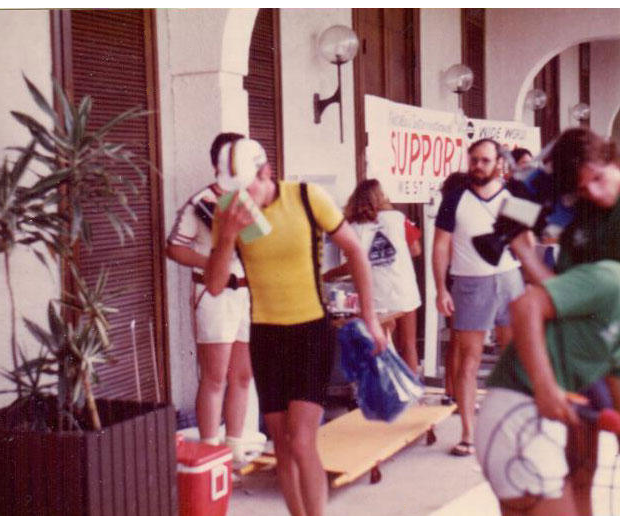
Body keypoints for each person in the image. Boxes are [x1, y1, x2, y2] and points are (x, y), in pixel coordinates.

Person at [204, 138, 387, 516]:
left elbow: (355, 250)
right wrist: (227, 235)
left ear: (266, 172)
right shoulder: (231, 212)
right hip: (266, 336)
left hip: (309, 332)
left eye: (246, 188)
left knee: (303, 442)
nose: (241, 198)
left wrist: (370, 318)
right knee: (284, 446)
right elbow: (215, 285)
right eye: (233, 191)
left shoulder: (306, 198)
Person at [476, 127, 620, 516]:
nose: (595, 192)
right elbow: (555, 295)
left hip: (604, 339)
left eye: (598, 178)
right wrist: (523, 251)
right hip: (578, 348)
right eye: (583, 187)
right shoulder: (581, 208)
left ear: (612, 159)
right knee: (579, 468)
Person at [166, 132, 260, 463]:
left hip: (246, 294)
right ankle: (209, 450)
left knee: (243, 375)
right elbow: (174, 247)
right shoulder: (202, 201)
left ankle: (234, 446)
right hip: (214, 294)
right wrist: (212, 263)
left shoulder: (247, 199)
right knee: (215, 376)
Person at [432, 139, 525, 457]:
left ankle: (510, 429)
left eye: (485, 160)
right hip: (470, 284)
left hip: (510, 279)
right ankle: (468, 434)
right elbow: (440, 245)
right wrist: (441, 288)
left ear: (499, 163)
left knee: (512, 358)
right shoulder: (454, 199)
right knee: (468, 360)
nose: (478, 166)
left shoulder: (514, 197)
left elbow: (529, 242)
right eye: (474, 160)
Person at [322, 179, 423, 375]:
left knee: (381, 344)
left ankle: (385, 386)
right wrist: (393, 257)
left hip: (377, 294)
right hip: (405, 289)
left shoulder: (354, 228)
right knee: (408, 344)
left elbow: (351, 266)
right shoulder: (398, 218)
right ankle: (412, 389)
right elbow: (416, 250)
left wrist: (327, 275)